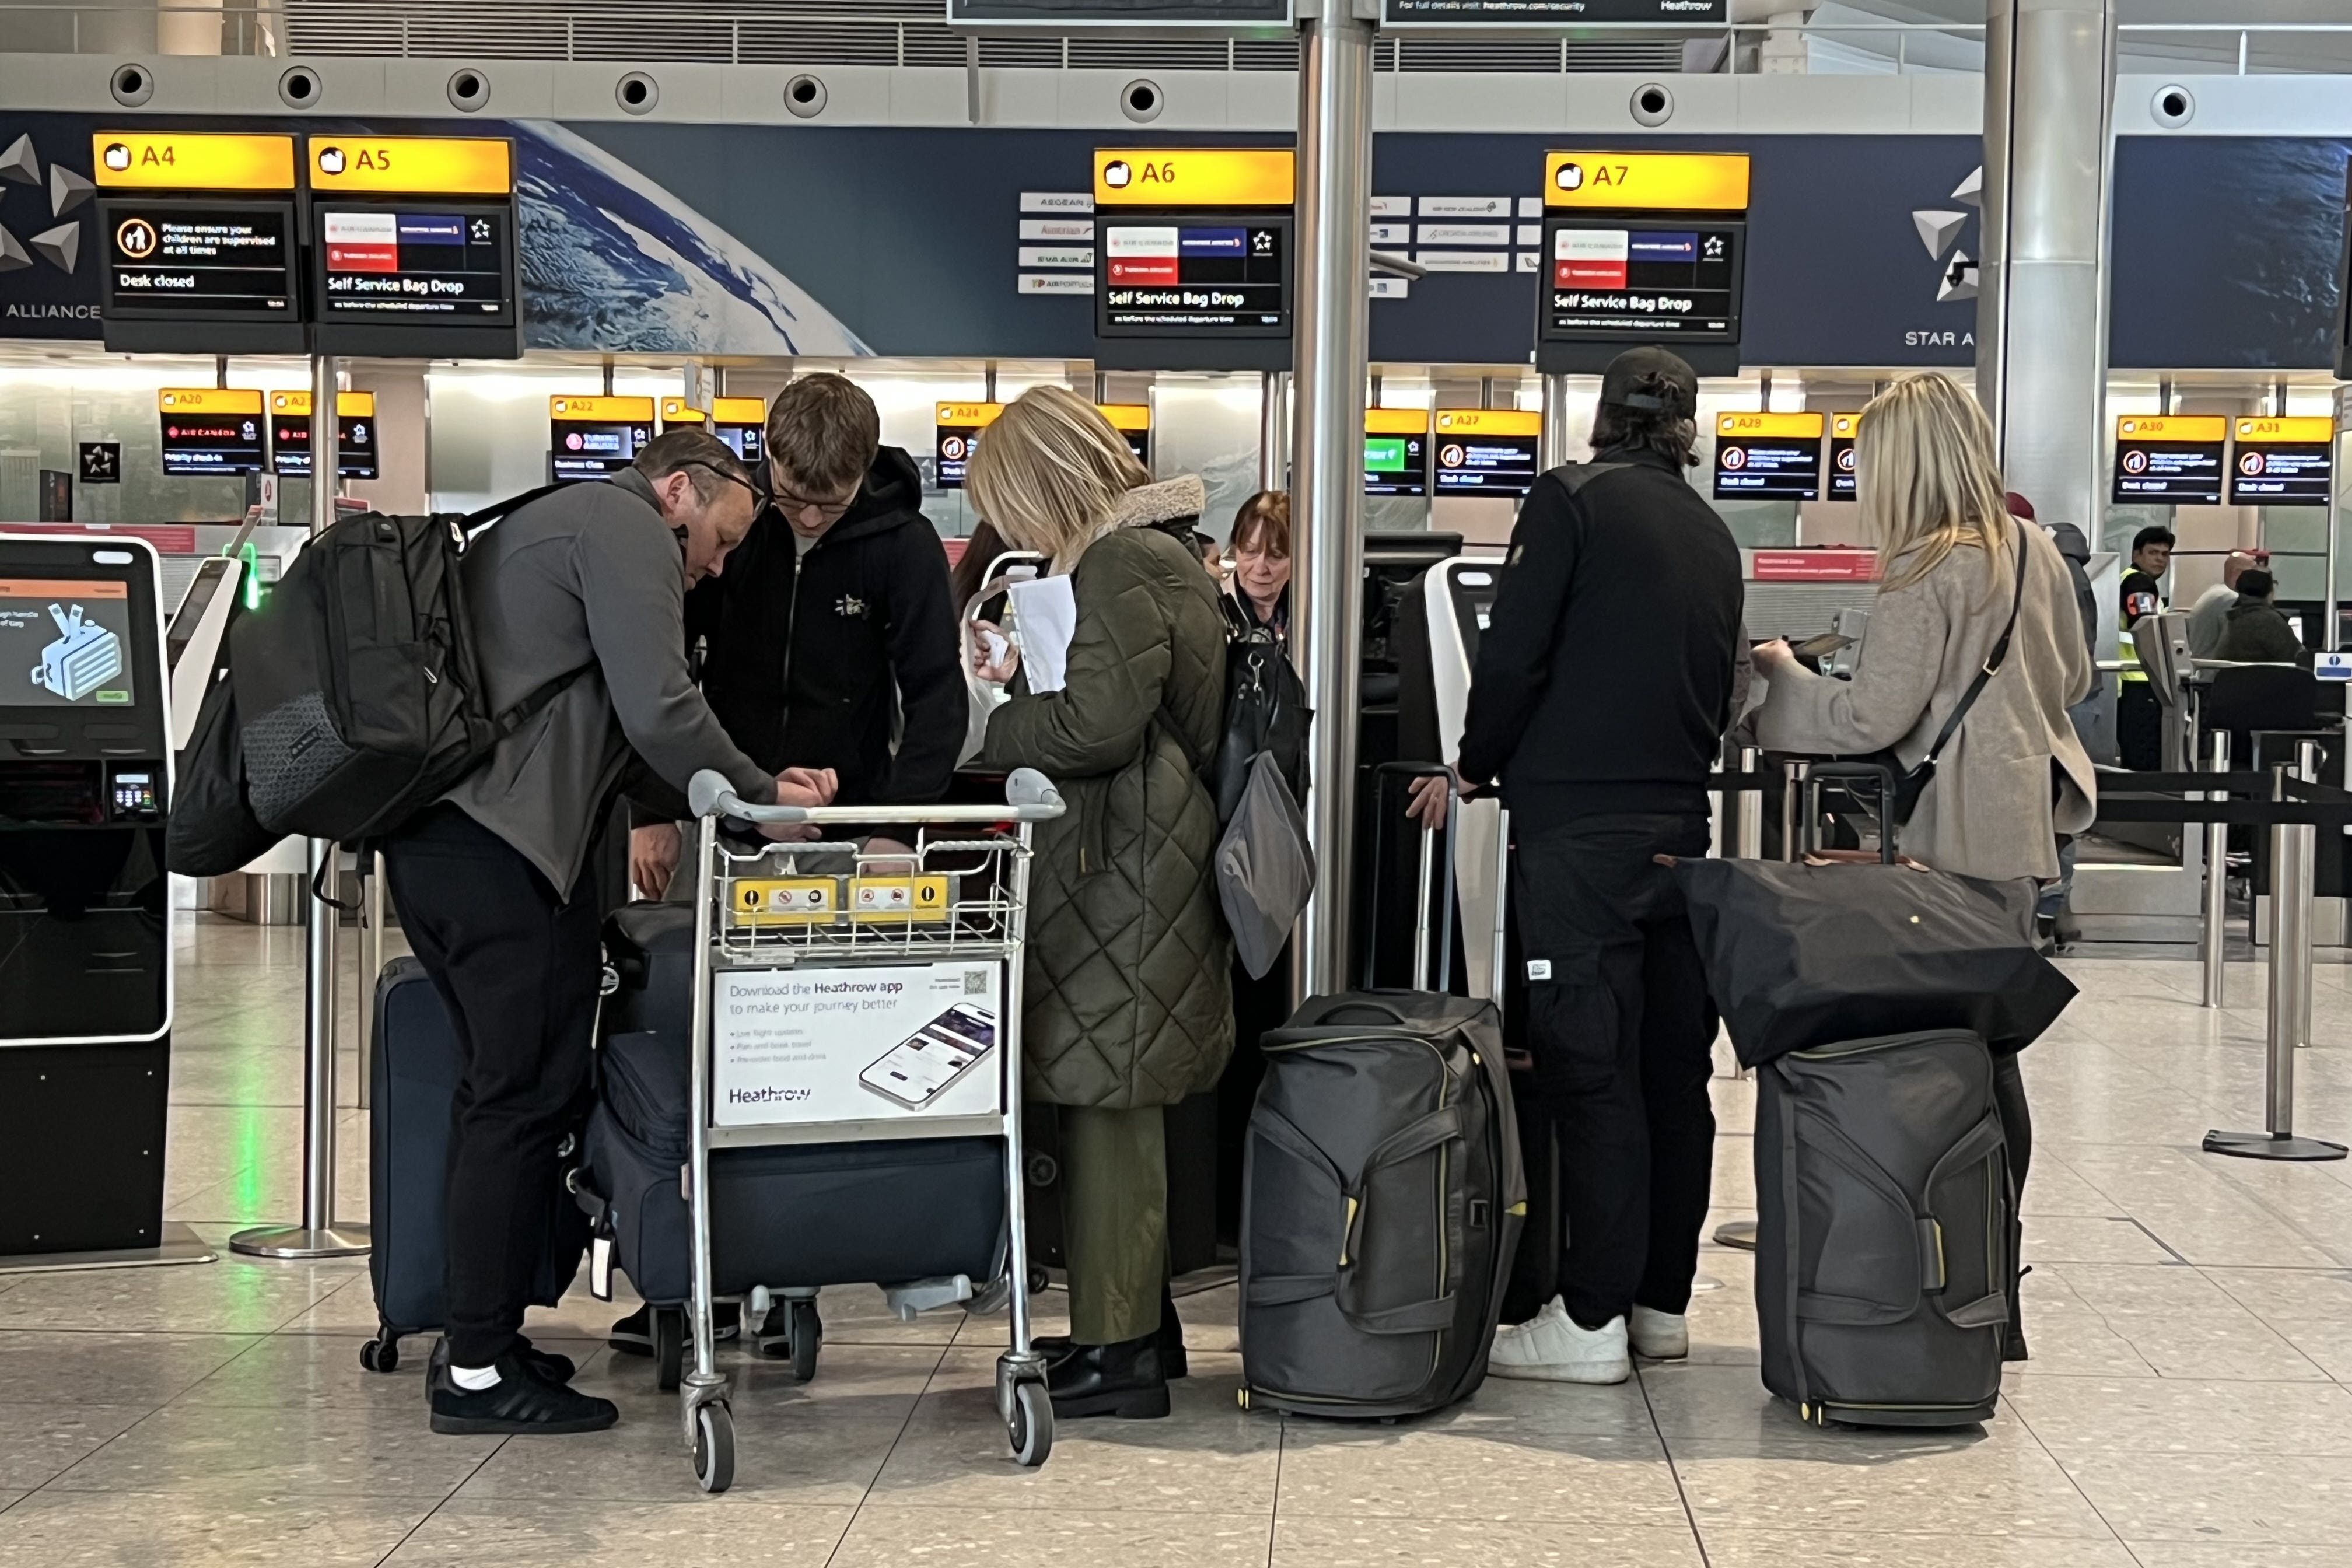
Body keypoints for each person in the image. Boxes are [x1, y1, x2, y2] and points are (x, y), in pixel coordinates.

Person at [384, 429, 835, 1436]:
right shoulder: (624, 523)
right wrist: (766, 798)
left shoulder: (559, 523)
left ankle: (480, 1337)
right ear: (682, 487)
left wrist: (735, 787)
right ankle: (476, 1369)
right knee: (520, 1095)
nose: (713, 565)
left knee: (497, 1091)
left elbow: (611, 727)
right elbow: (663, 707)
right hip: (504, 856)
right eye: (717, 538)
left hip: (450, 846)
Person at [1749, 371, 2095, 1362]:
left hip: (1943, 839)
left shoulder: (1923, 567)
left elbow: (1870, 717)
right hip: (2021, 827)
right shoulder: (2029, 550)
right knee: (1993, 1057)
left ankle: (1937, 1269)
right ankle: (1996, 1279)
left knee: (1939, 1064)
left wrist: (1780, 671)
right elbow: (2069, 677)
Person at [1436, 346, 1743, 1386]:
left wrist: (1474, 765)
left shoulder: (1568, 500)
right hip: (1678, 829)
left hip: (1577, 834)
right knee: (1671, 1072)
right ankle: (1659, 1302)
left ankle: (1589, 1318)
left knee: (1590, 1065)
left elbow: (1515, 652)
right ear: (1686, 428)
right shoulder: (1710, 530)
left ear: (1601, 419)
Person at [964, 387, 1231, 1421]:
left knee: (1108, 1098)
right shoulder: (1166, 554)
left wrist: (998, 726)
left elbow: (1098, 725)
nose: (1019, 530)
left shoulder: (1120, 561)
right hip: (1145, 858)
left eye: (1015, 504)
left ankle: (1116, 1351)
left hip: (1124, 869)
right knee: (1117, 1088)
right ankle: (1139, 1324)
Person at [626, 373, 962, 902]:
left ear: (864, 469)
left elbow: (937, 692)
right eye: (792, 496)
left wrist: (899, 827)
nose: (809, 517)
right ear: (770, 456)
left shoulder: (905, 545)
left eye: (831, 504)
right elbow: (659, 674)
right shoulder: (733, 527)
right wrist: (653, 807)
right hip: (724, 817)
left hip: (855, 831)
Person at [2117, 524, 2175, 769]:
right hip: (2139, 679)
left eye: (2165, 555)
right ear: (2136, 555)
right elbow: (2144, 627)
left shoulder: (2129, 579)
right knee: (2144, 758)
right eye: (2153, 553)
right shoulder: (2139, 583)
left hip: (2131, 679)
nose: (2160, 559)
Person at [1222, 489, 1292, 645]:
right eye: (1250, 551)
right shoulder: (1215, 617)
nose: (1260, 569)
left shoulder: (1313, 616)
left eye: (1276, 555)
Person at [2188, 550, 2265, 660]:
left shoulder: (2214, 593)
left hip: (2205, 671)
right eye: (2253, 573)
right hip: (2218, 672)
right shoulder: (2231, 599)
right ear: (2237, 572)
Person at [2217, 567, 2305, 663]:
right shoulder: (2271, 621)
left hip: (2230, 677)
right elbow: (2295, 656)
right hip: (2268, 677)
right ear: (2270, 593)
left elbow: (2219, 656)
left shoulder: (2228, 619)